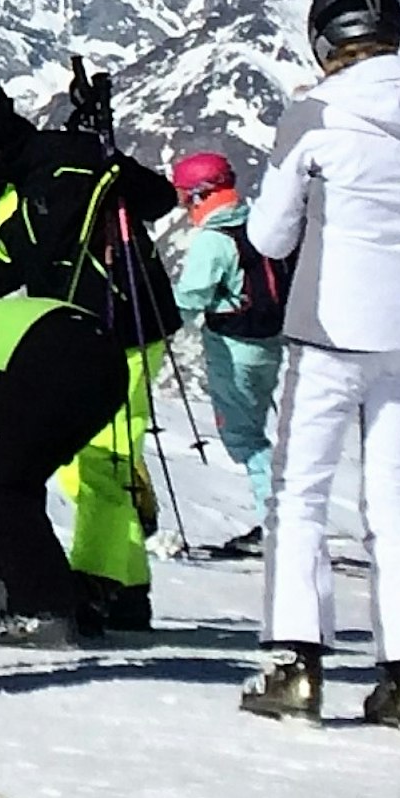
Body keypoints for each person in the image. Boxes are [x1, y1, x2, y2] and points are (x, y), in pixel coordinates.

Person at [241, 0, 400, 729]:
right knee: (396, 500)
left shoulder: (315, 114)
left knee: (299, 493)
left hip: (332, 328)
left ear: (323, 39)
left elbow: (270, 235)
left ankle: (297, 667)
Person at [0, 70, 181, 634]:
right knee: (97, 463)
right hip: (106, 327)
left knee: (101, 465)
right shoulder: (67, 159)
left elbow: (0, 269)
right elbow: (157, 199)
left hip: (111, 326)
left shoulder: (34, 181)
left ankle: (101, 582)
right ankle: (125, 587)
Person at [0, 284, 134, 646]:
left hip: (48, 356)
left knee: (4, 486)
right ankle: (28, 588)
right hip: (103, 356)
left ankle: (44, 610)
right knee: (17, 480)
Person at [170, 150, 281, 554]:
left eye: (185, 197)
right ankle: (280, 517)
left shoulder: (213, 242)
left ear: (200, 195)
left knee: (245, 437)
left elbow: (193, 296)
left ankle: (276, 522)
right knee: (258, 426)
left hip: (233, 347)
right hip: (270, 342)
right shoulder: (259, 226)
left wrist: (156, 321)